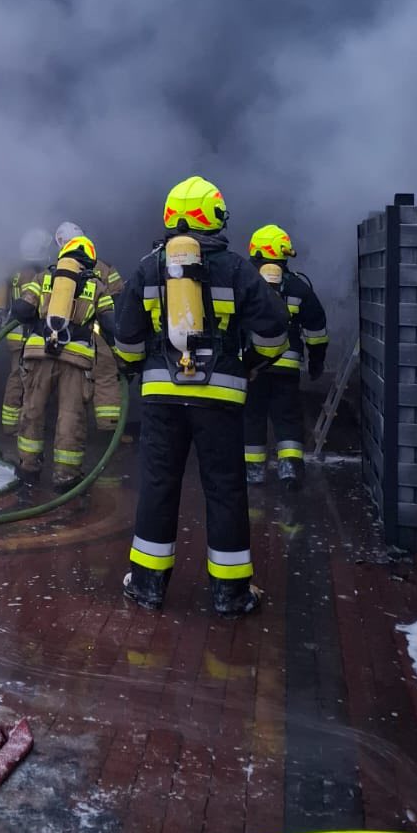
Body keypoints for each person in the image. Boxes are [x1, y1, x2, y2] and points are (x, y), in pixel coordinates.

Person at [113, 176, 289, 616]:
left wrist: (141, 368)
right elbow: (274, 332)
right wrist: (248, 363)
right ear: (214, 217)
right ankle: (230, 594)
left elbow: (127, 337)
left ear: (171, 217)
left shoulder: (148, 266)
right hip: (221, 399)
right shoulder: (236, 267)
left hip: (160, 399)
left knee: (157, 486)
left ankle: (148, 587)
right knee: (226, 490)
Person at [11, 234, 116, 492]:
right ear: (90, 261)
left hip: (38, 354)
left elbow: (22, 311)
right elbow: (112, 325)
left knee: (32, 410)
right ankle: (66, 478)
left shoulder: (43, 278)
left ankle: (28, 468)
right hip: (76, 360)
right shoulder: (97, 285)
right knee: (70, 416)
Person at [243, 224, 329, 485]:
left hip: (252, 367)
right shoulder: (299, 288)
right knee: (287, 417)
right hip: (286, 368)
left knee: (253, 415)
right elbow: (317, 330)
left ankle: (253, 471)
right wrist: (316, 363)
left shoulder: (244, 283)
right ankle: (290, 467)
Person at [54, 221, 125, 434]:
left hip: (68, 335)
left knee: (73, 379)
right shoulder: (103, 267)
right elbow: (119, 297)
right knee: (105, 375)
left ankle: (74, 427)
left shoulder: (57, 270)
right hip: (100, 332)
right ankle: (109, 428)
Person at [0, 229, 55, 436]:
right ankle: (23, 426)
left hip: (17, 335)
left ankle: (13, 425)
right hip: (31, 336)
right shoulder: (39, 275)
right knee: (29, 381)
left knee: (18, 378)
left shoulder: (15, 272)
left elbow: (0, 300)